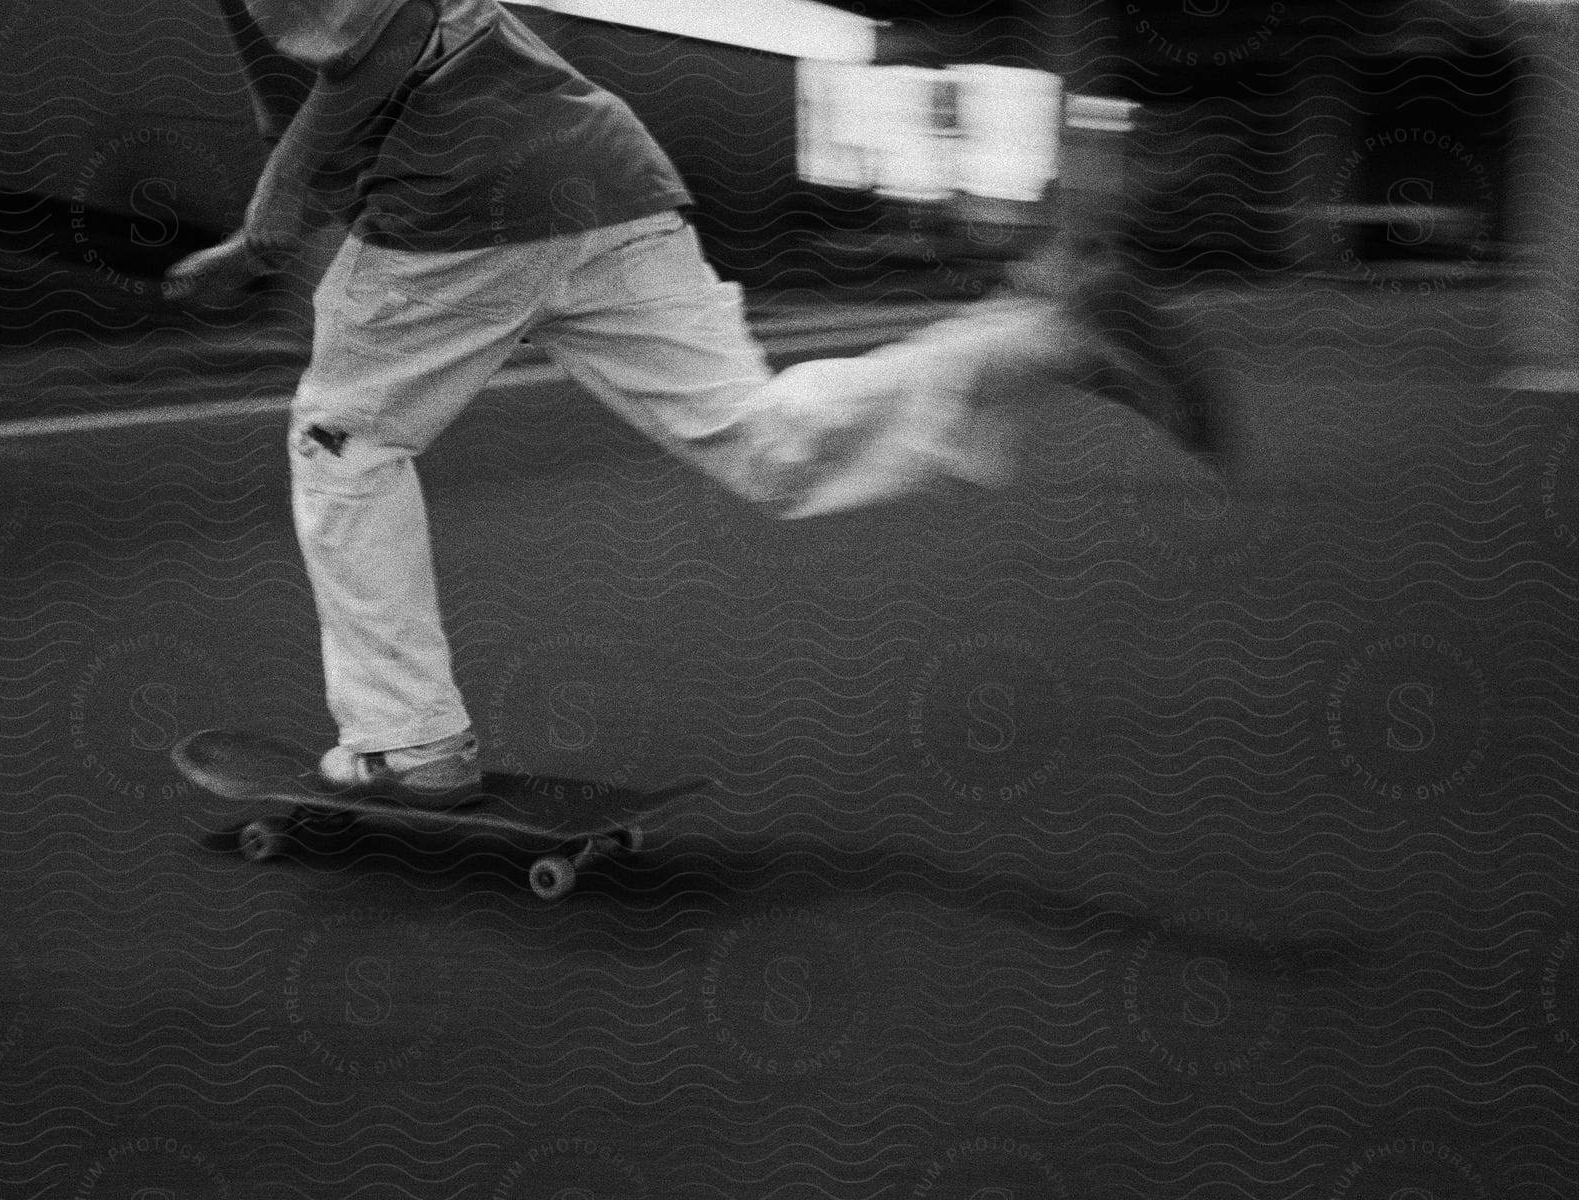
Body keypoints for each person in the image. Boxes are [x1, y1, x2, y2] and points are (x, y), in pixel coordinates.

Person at [168, 0, 1229, 808]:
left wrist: (265, 232)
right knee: (765, 445)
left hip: (464, 195)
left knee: (343, 439)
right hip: (602, 176)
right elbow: (332, 95)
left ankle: (407, 739)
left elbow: (392, 28)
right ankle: (1039, 335)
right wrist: (279, 236)